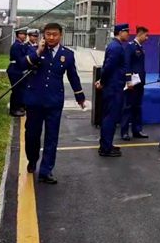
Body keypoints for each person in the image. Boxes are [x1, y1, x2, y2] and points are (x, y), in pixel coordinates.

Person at [19, 23, 85, 184]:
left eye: (54, 34)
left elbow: (73, 76)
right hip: (35, 100)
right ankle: (32, 159)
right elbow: (22, 65)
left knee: (51, 136)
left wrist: (80, 97)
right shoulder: (34, 50)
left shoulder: (67, 54)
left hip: (54, 101)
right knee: (32, 134)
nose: (51, 37)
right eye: (48, 34)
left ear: (61, 35)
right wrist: (38, 52)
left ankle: (46, 170)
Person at [96, 23, 130, 157]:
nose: (128, 34)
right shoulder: (116, 47)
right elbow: (108, 67)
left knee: (110, 116)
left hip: (113, 85)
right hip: (113, 87)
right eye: (127, 31)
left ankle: (107, 144)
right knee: (110, 117)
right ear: (120, 32)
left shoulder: (116, 46)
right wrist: (102, 81)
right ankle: (105, 148)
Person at [121, 26, 149, 140]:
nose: (147, 38)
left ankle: (137, 130)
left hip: (139, 82)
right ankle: (124, 131)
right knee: (128, 107)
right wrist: (128, 80)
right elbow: (127, 64)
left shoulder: (140, 47)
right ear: (140, 34)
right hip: (132, 82)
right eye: (145, 35)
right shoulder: (130, 47)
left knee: (138, 107)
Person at [7, 27, 28, 117]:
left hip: (18, 70)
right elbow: (19, 59)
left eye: (26, 34)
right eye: (23, 34)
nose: (25, 36)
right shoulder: (17, 46)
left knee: (20, 90)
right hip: (15, 70)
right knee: (16, 90)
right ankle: (14, 109)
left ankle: (19, 106)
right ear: (18, 35)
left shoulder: (21, 45)